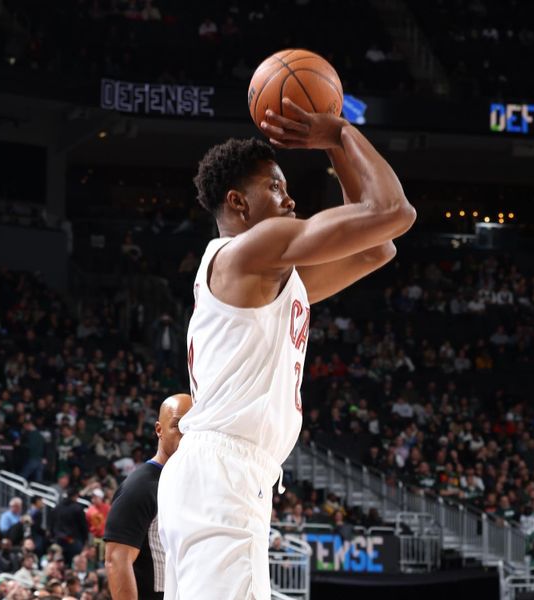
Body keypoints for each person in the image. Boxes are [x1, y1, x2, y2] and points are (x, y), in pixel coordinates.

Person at [158, 99, 415, 599]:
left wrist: (335, 151)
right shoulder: (250, 252)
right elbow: (395, 212)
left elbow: (378, 245)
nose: (290, 200)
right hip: (223, 475)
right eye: (275, 187)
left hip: (222, 475)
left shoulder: (269, 275)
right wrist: (339, 132)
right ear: (238, 202)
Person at [106, 393, 192, 600]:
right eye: (177, 426)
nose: (186, 434)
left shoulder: (191, 484)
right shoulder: (140, 486)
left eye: (192, 427)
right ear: (159, 430)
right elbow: (117, 560)